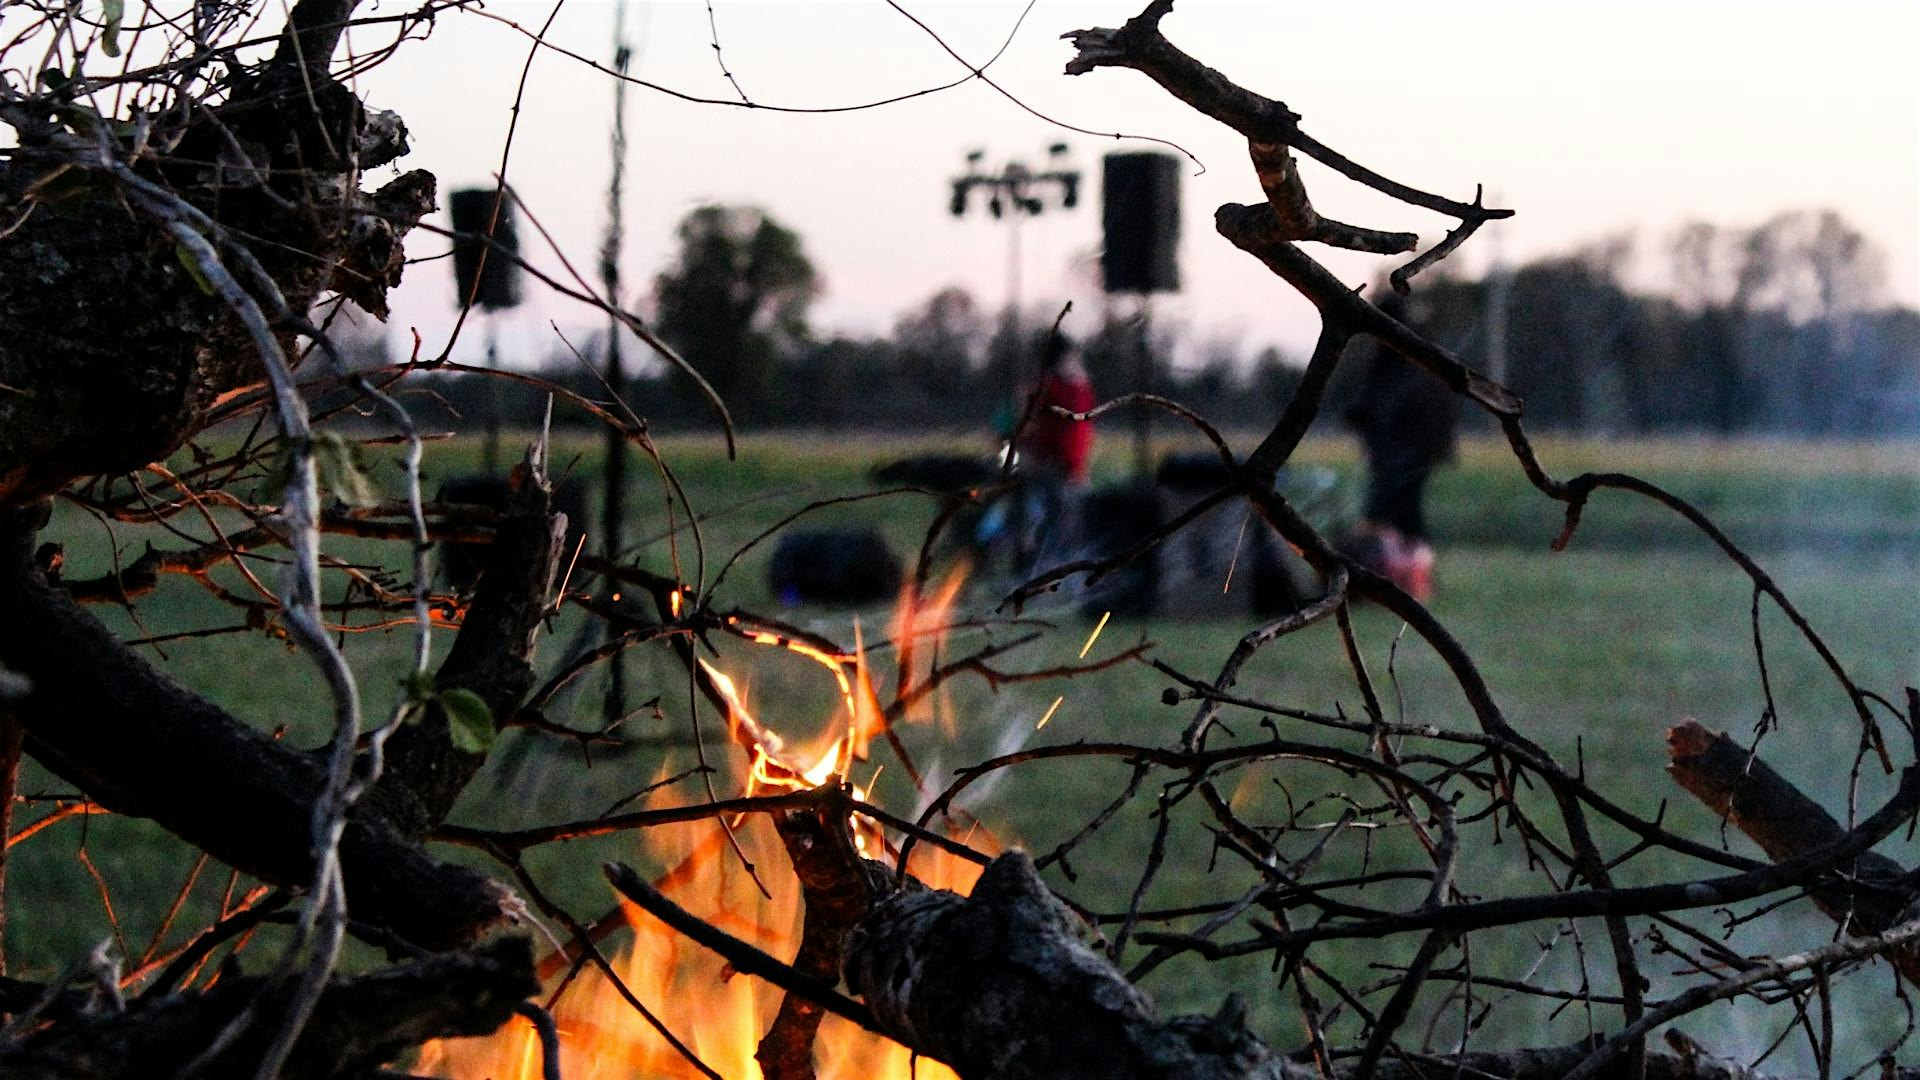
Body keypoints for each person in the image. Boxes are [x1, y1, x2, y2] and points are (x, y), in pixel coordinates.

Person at [1342, 293, 1458, 601]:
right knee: (1403, 519)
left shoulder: (1405, 361)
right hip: (1399, 457)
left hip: (1404, 459)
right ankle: (1405, 580)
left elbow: (1393, 406)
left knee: (1394, 517)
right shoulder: (1406, 358)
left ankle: (1404, 580)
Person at [1014, 332, 1095, 568]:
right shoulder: (1077, 385)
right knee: (1064, 525)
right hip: (1069, 464)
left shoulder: (1055, 386)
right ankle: (1058, 567)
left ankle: (1039, 566)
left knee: (1043, 522)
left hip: (1053, 463)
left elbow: (1035, 420)